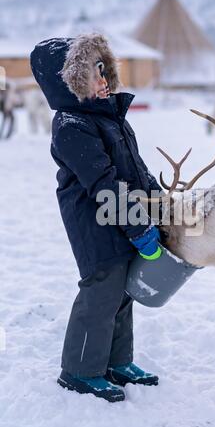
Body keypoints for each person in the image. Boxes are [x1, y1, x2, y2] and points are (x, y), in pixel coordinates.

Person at [30, 33, 163, 402]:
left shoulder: (110, 116)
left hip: (122, 219)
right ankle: (80, 370)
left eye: (105, 72)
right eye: (93, 74)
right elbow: (104, 185)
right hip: (94, 226)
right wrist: (138, 227)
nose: (104, 81)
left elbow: (136, 171)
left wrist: (159, 202)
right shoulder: (72, 125)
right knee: (100, 295)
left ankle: (117, 362)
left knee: (123, 295)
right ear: (69, 82)